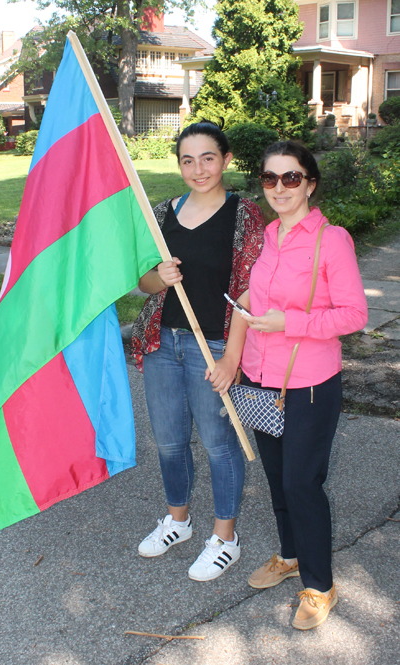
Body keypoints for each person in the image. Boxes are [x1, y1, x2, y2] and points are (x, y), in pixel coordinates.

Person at [240, 141, 368, 629]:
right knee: (277, 480)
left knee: (301, 482)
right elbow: (260, 300)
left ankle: (318, 586)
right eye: (269, 178)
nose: (279, 187)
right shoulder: (268, 236)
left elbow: (355, 314)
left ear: (310, 183)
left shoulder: (330, 240)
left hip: (311, 383)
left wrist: (287, 322)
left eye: (290, 178)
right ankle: (290, 555)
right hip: (262, 379)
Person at [131, 121, 264, 582]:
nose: (198, 168)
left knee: (218, 444)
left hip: (215, 344)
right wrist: (158, 277)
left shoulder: (243, 214)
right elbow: (143, 283)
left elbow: (251, 291)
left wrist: (232, 357)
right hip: (162, 342)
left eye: (208, 158)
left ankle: (225, 538)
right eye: (187, 160)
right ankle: (178, 521)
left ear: (225, 160)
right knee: (168, 442)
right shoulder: (164, 212)